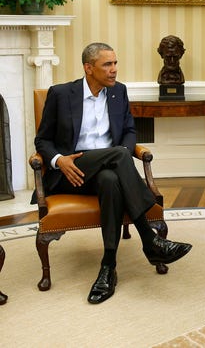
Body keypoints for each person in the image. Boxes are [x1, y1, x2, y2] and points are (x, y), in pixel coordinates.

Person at [34, 42, 192, 304]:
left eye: (115, 63)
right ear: (88, 68)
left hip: (108, 171)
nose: (114, 70)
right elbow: (42, 141)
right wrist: (59, 160)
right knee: (119, 154)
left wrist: (122, 151)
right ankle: (150, 240)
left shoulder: (119, 92)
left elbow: (130, 131)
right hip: (73, 171)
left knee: (110, 177)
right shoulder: (61, 94)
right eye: (107, 64)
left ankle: (108, 266)